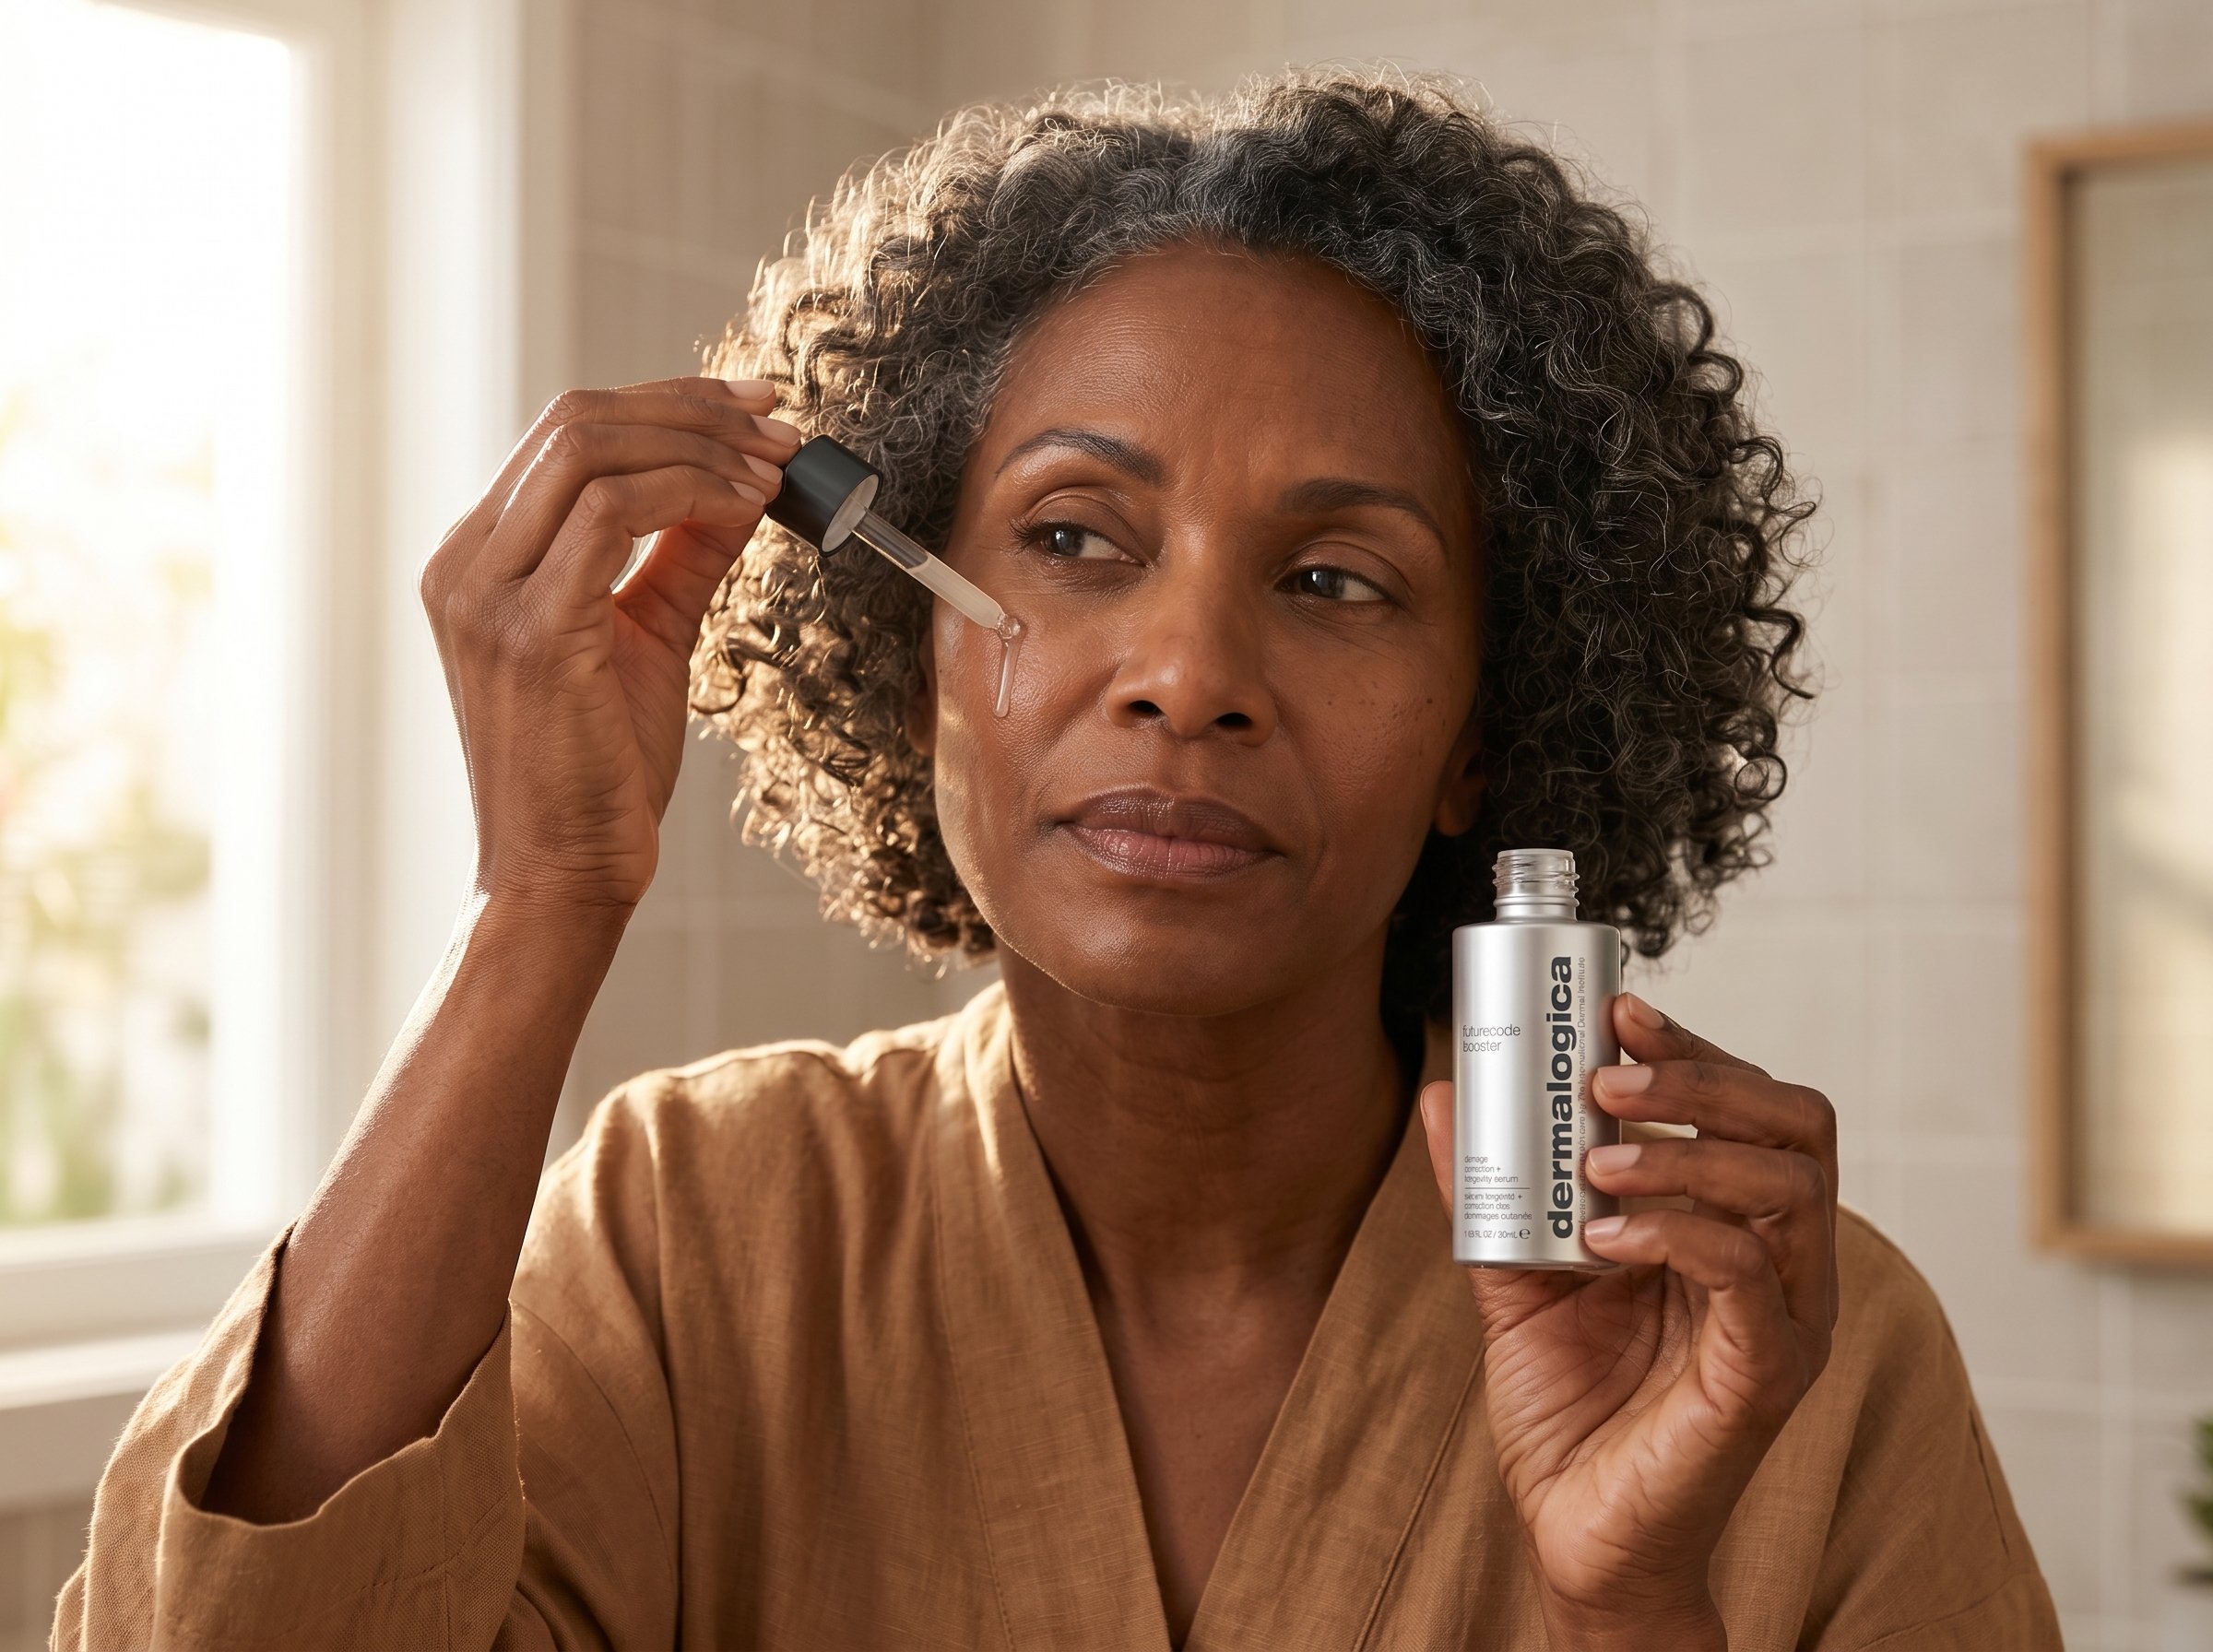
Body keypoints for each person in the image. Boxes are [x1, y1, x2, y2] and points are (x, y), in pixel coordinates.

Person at [55, 70, 2061, 1650]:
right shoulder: (696, 1236)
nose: (1188, 673)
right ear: (901, 635)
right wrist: (541, 897)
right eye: (1077, 538)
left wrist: (1630, 1610)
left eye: (1338, 577)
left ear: (1484, 737)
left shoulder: (1787, 1349)